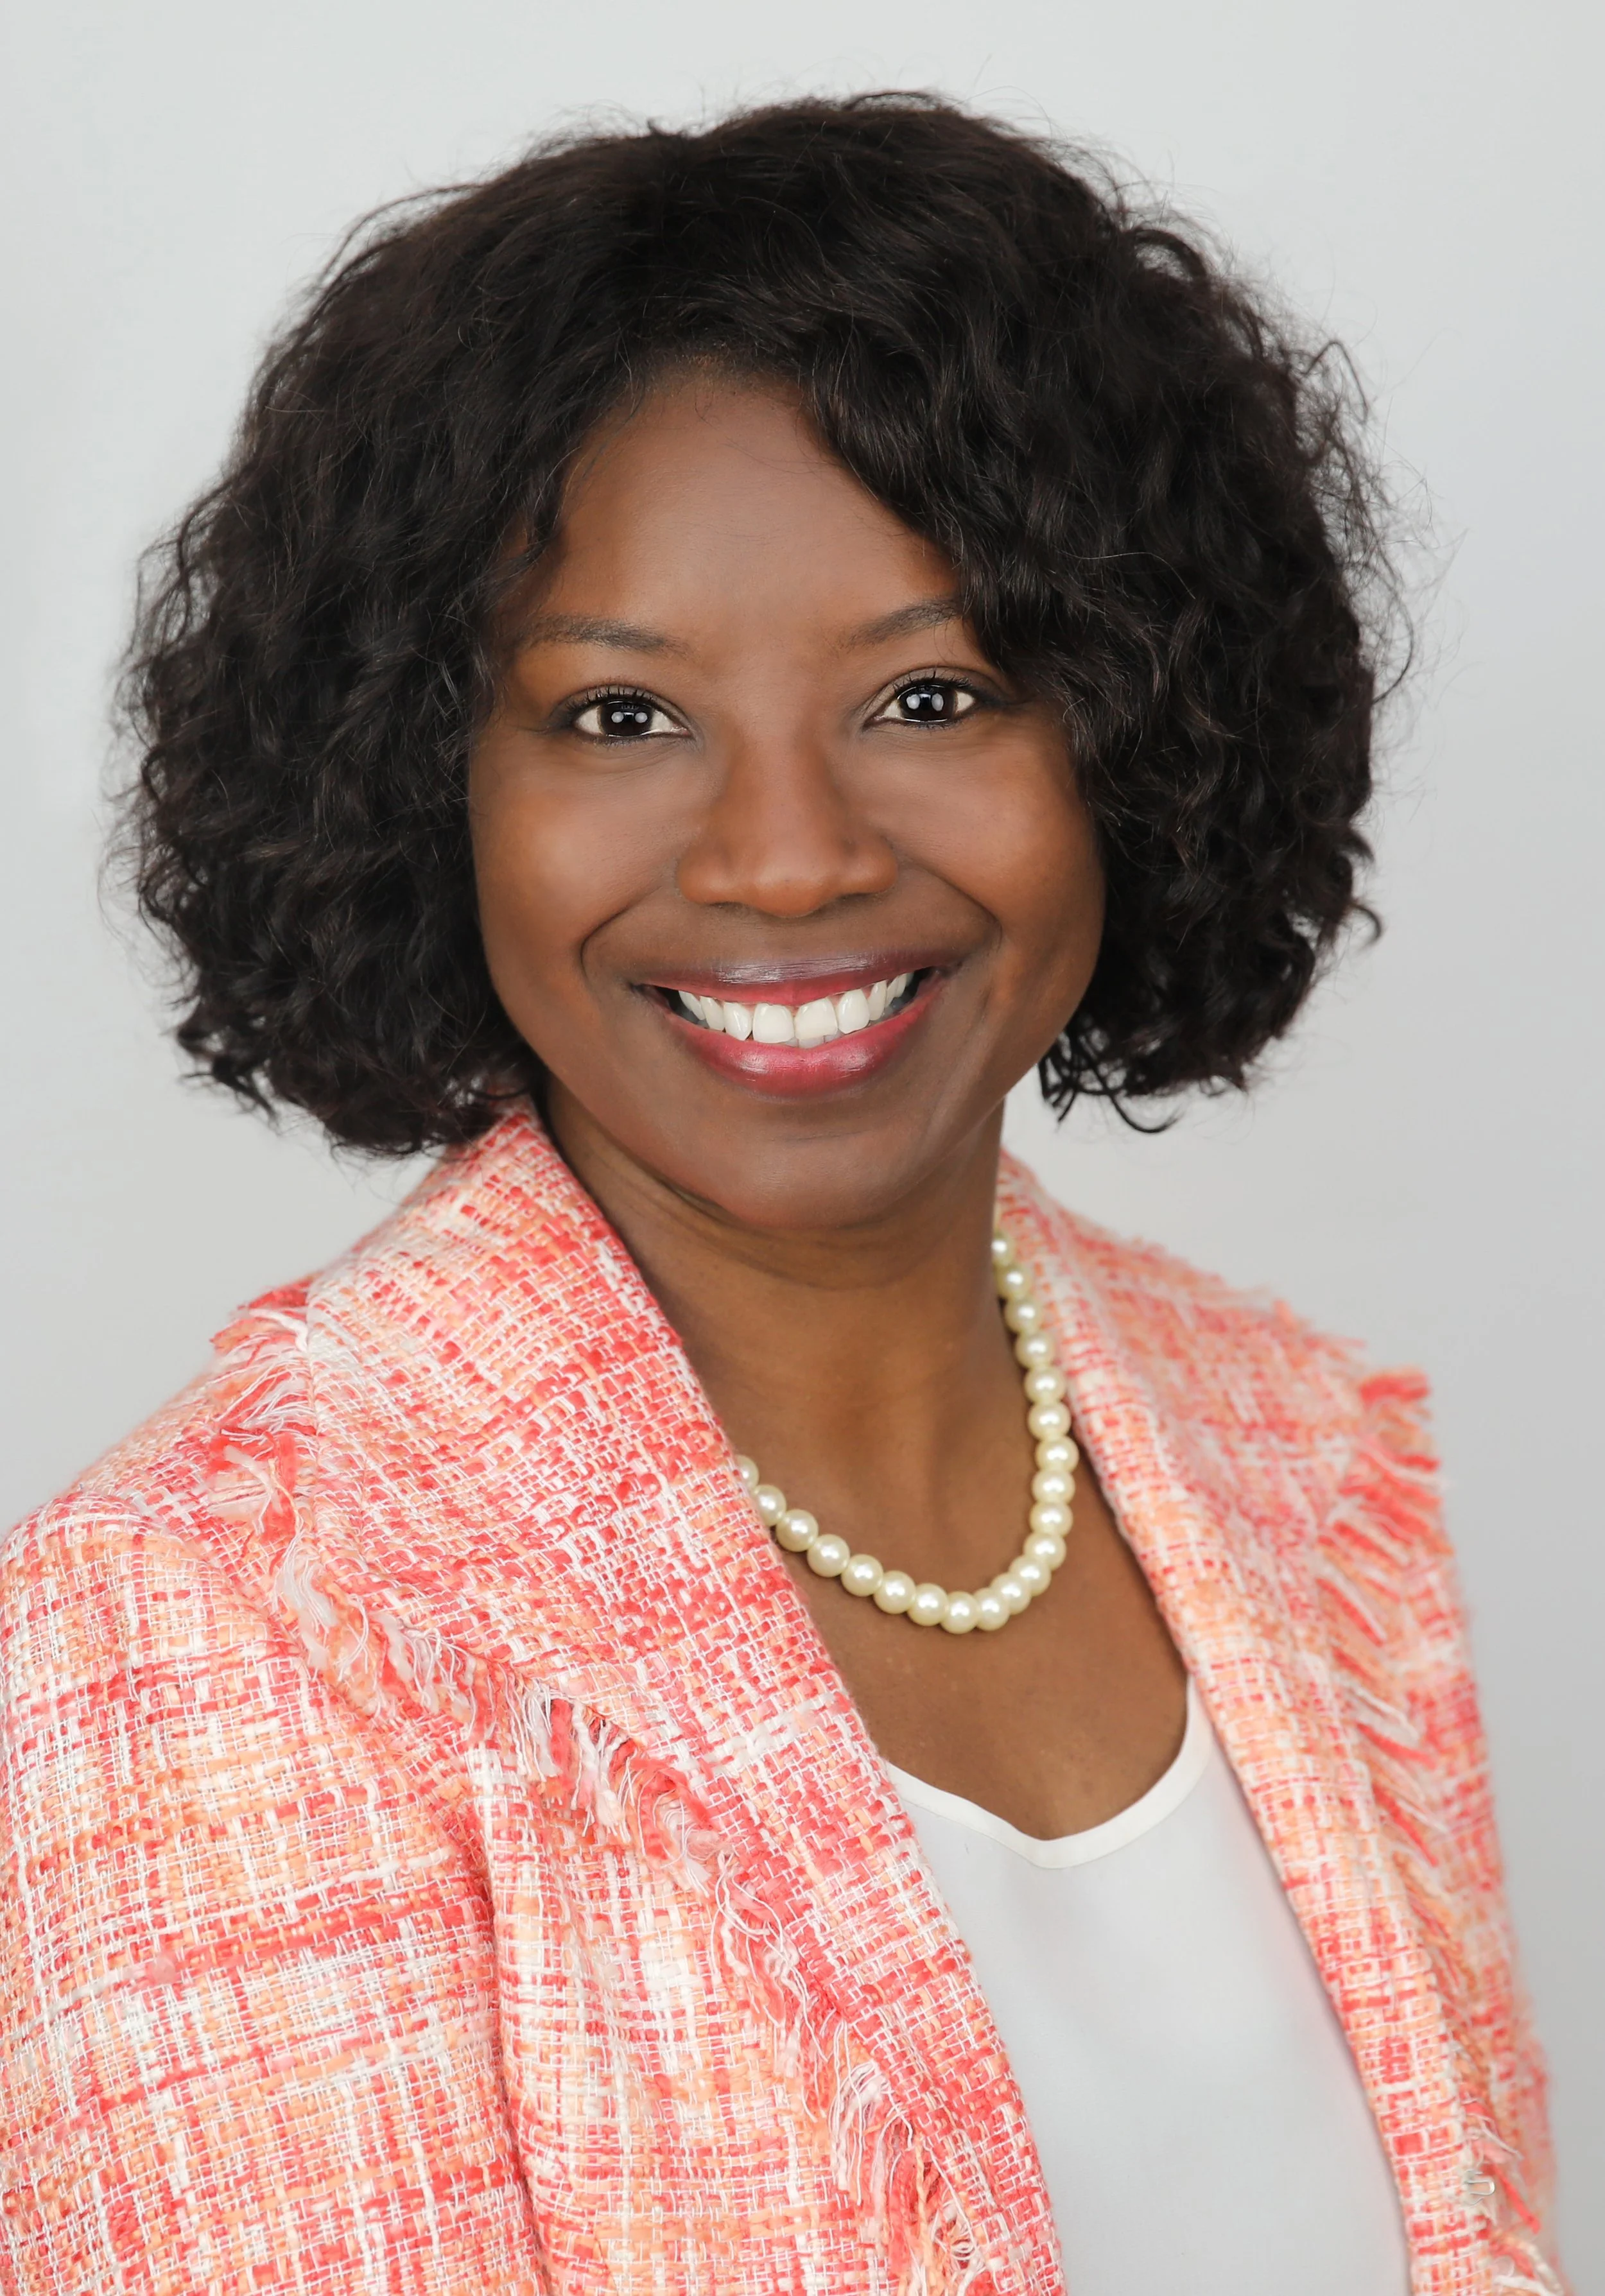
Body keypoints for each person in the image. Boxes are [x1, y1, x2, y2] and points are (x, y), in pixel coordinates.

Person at [0, 94, 1563, 2296]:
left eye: (930, 693)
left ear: (1135, 740)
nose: (787, 859)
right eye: (616, 719)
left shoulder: (1302, 1459)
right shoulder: (228, 1619)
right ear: (421, 786)